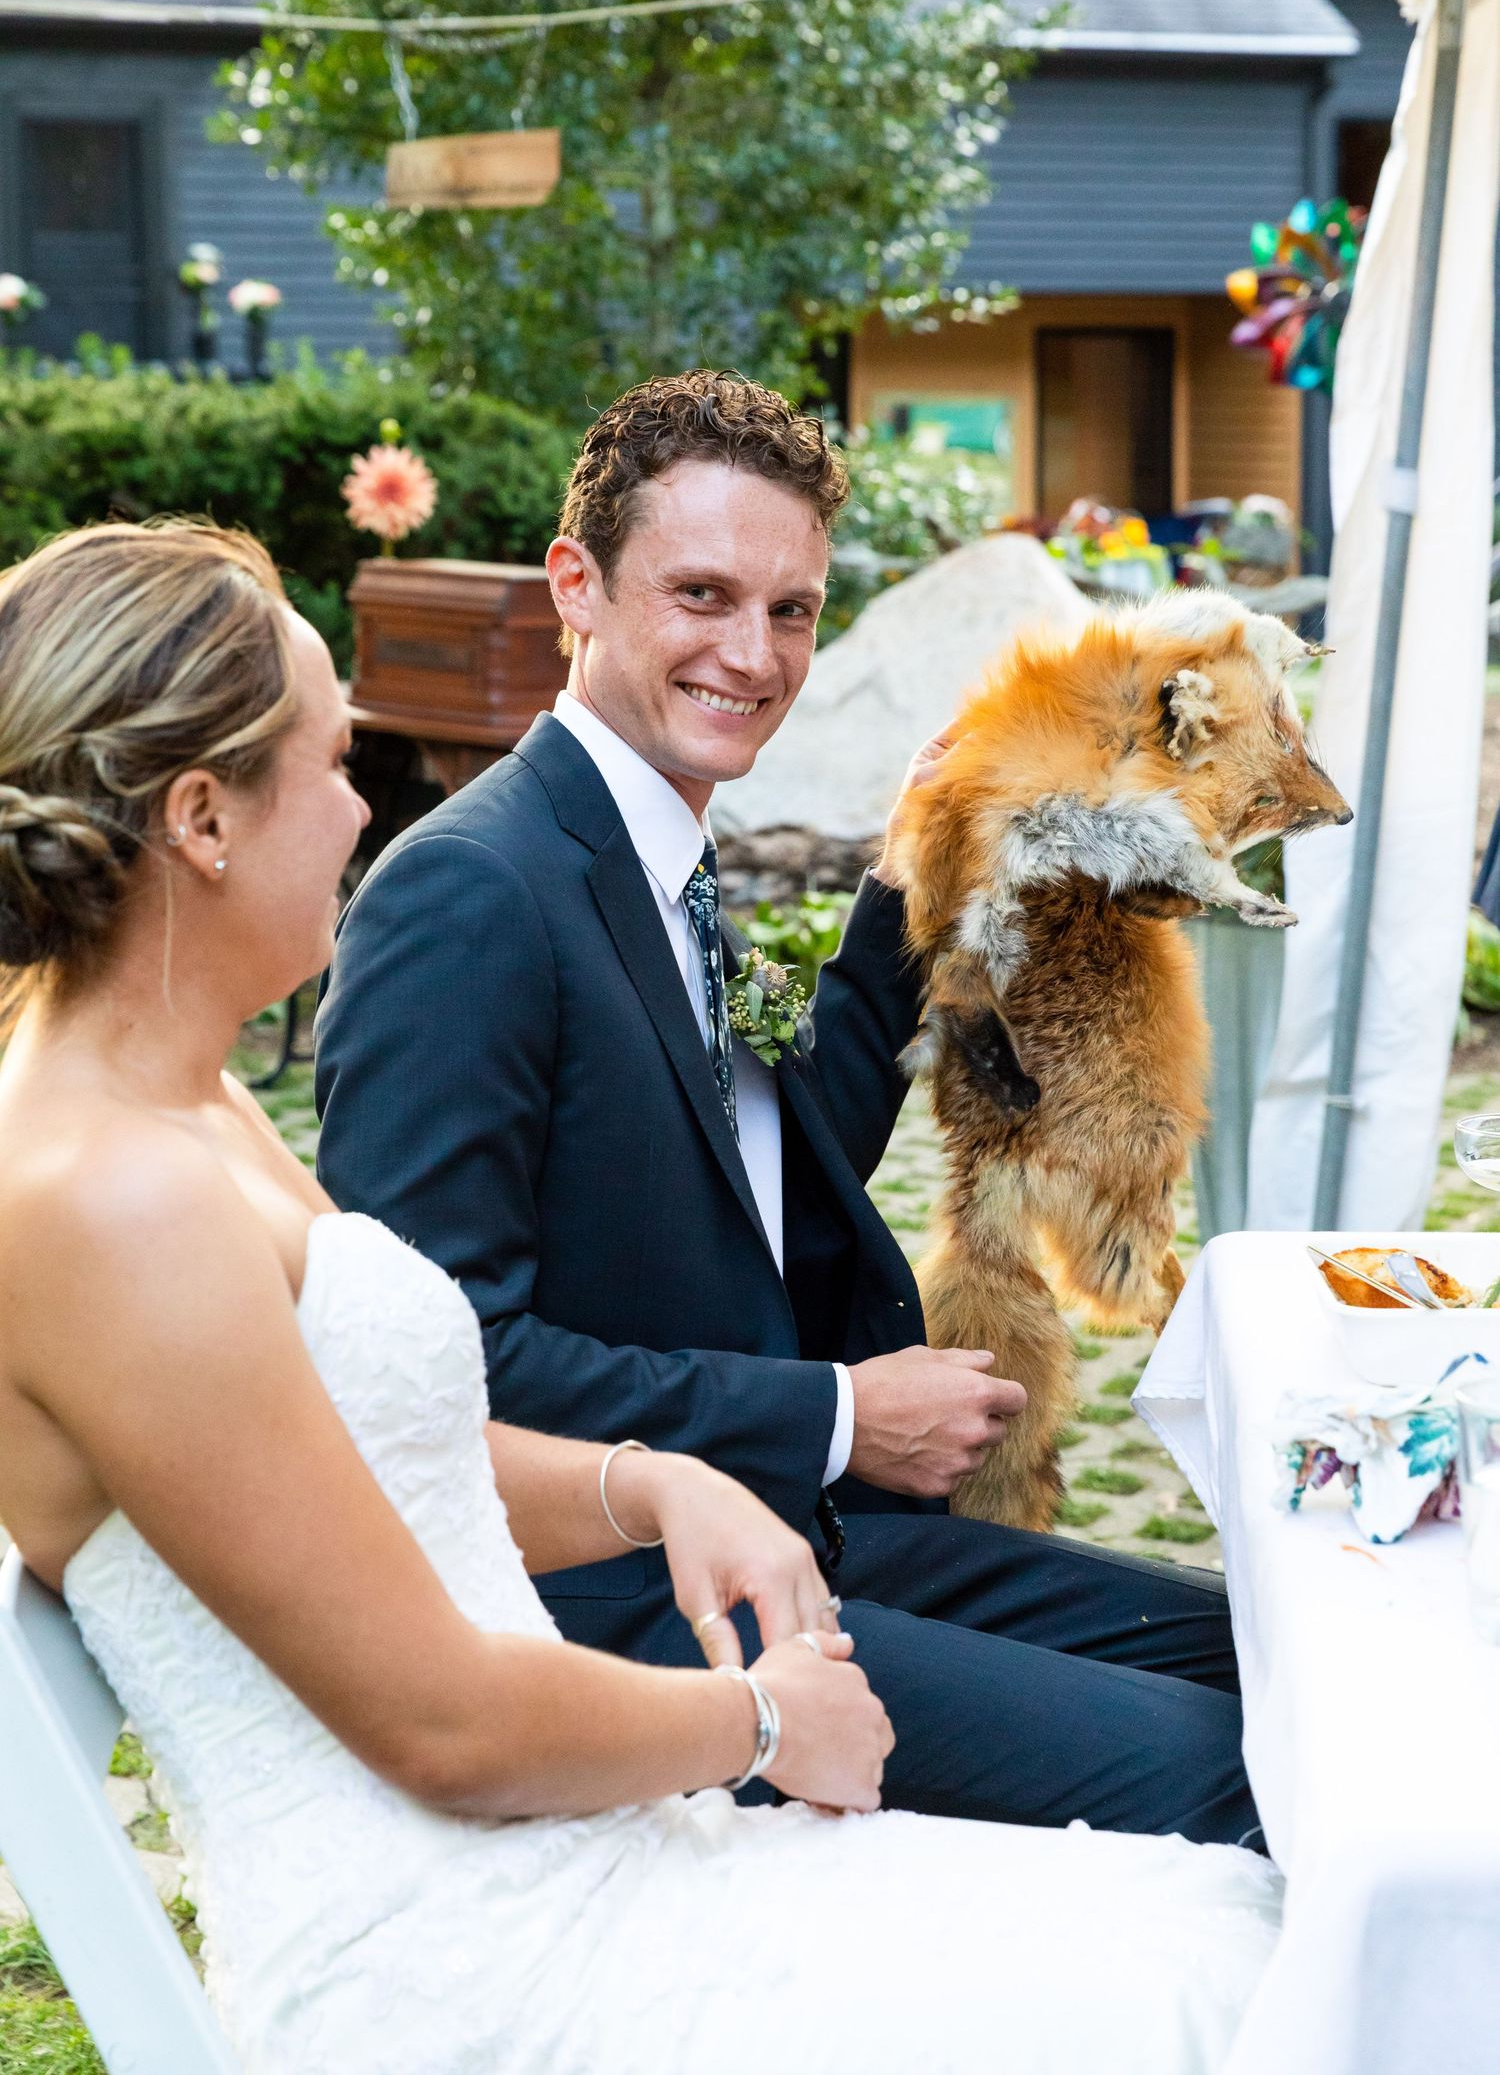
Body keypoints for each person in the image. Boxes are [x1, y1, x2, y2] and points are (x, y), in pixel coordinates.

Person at [0, 519, 1281, 2072]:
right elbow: (443, 1726)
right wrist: (755, 1721)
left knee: (1238, 1834)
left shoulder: (186, 1120)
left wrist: (648, 1479)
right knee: (1217, 1946)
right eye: (336, 763)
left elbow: (342, 1458)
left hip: (557, 1817)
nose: (364, 809)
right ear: (202, 817)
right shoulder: (110, 1197)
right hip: (460, 1946)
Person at [317, 369, 1257, 1840]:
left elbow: (754, 1158)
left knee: (1277, 1664)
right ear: (578, 583)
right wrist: (836, 1413)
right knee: (1236, 1776)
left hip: (803, 1533)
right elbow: (444, 1374)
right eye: (701, 594)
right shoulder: (468, 893)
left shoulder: (665, 856)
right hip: (632, 1611)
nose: (753, 654)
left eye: (793, 610)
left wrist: (899, 894)